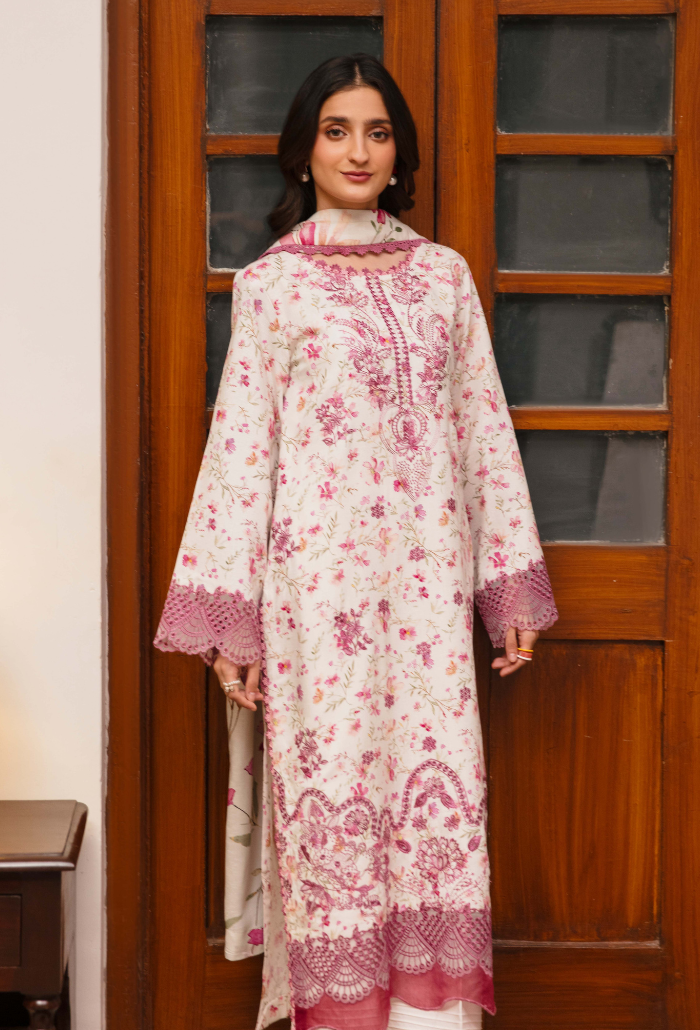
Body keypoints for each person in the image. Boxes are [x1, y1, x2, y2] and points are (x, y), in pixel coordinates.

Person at [155, 53, 558, 1030]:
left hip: (425, 601)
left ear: (398, 153)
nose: (358, 151)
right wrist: (232, 623)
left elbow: (483, 433)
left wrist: (507, 591)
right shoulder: (271, 287)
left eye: (377, 132)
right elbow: (241, 451)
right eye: (337, 131)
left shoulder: (443, 278)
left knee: (435, 793)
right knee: (332, 794)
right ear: (304, 150)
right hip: (318, 605)